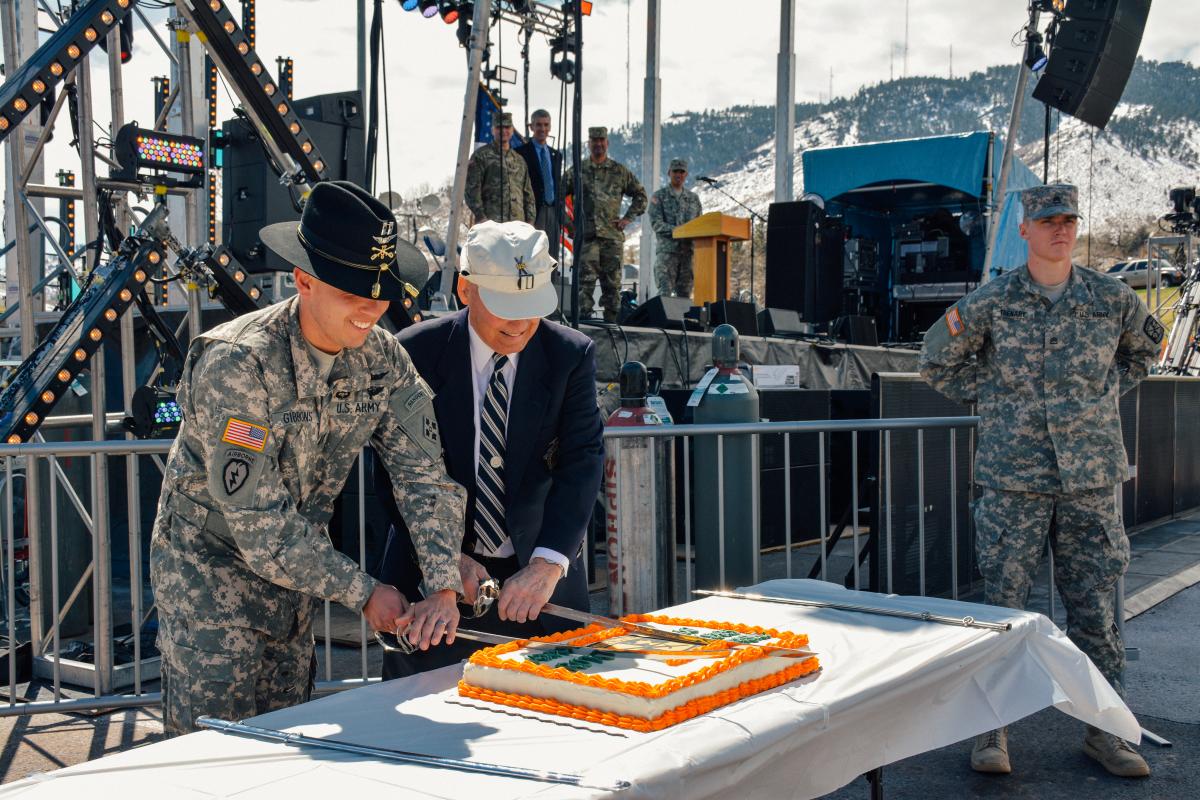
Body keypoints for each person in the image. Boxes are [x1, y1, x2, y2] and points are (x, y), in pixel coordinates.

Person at [150, 181, 467, 736]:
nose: (373, 309)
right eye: (353, 293)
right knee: (213, 752)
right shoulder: (238, 363)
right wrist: (363, 592)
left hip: (297, 583)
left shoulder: (380, 356)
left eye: (382, 292)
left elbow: (423, 474)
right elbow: (259, 522)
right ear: (304, 281)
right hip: (209, 579)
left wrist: (443, 583)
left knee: (288, 740)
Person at [919, 184, 1160, 779]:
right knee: (1002, 610)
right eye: (1048, 219)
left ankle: (1107, 733)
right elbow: (935, 360)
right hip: (1012, 481)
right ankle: (989, 733)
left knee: (1096, 614)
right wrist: (997, 399)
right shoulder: (991, 302)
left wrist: (1098, 397)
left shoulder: (1112, 298)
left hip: (1089, 481)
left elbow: (1141, 355)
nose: (1060, 229)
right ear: (1024, 230)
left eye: (1069, 219)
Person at [375, 220, 604, 679]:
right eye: (505, 307)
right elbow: (396, 471)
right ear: (465, 289)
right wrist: (442, 560)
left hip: (543, 590)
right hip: (432, 592)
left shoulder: (570, 355)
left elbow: (583, 461)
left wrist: (547, 563)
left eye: (532, 306)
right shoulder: (413, 354)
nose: (520, 324)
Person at [562, 126, 647, 322]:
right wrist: (570, 225)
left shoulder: (619, 171)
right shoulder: (578, 170)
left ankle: (612, 327)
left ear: (607, 143)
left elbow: (641, 196)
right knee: (585, 285)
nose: (598, 144)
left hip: (612, 238)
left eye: (602, 141)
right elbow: (558, 198)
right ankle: (583, 327)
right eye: (594, 141)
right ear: (589, 144)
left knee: (612, 287)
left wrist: (627, 218)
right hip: (587, 238)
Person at [464, 111, 536, 225]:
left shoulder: (519, 160)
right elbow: (471, 190)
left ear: (512, 130)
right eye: (499, 127)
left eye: (507, 127)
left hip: (518, 224)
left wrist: (530, 221)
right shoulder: (481, 156)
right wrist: (481, 216)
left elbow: (528, 194)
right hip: (491, 223)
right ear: (493, 130)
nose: (503, 131)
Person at [648, 157, 703, 298]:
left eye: (681, 171)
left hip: (687, 255)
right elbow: (656, 223)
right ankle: (661, 321)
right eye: (675, 171)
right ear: (669, 173)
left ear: (686, 174)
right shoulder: (659, 196)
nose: (678, 174)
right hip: (667, 254)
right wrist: (678, 231)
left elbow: (700, 224)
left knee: (684, 297)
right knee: (664, 295)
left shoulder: (693, 199)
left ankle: (682, 321)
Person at [515, 109, 564, 264]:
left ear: (550, 127)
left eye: (546, 125)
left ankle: (550, 284)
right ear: (531, 127)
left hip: (553, 211)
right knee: (533, 253)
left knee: (552, 254)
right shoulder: (521, 153)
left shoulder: (556, 155)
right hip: (533, 211)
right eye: (538, 125)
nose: (542, 129)